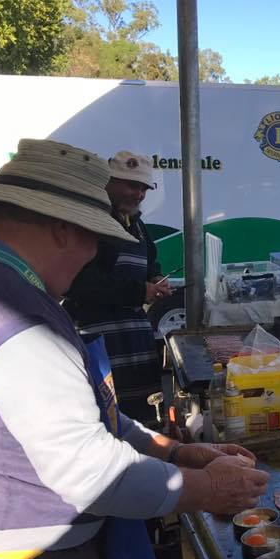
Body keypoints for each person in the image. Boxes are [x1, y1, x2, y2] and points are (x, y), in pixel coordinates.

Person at [0, 139, 269, 559]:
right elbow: (91, 470)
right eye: (96, 238)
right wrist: (211, 489)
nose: (96, 252)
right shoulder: (13, 318)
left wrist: (177, 452)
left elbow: (90, 416)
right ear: (62, 229)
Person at [65, 150, 172, 423]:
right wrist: (139, 292)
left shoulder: (136, 224)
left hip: (134, 343)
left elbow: (150, 263)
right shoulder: (91, 222)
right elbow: (80, 282)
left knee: (142, 421)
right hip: (99, 342)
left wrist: (156, 280)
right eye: (131, 185)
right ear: (109, 182)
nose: (138, 195)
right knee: (106, 418)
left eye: (144, 189)